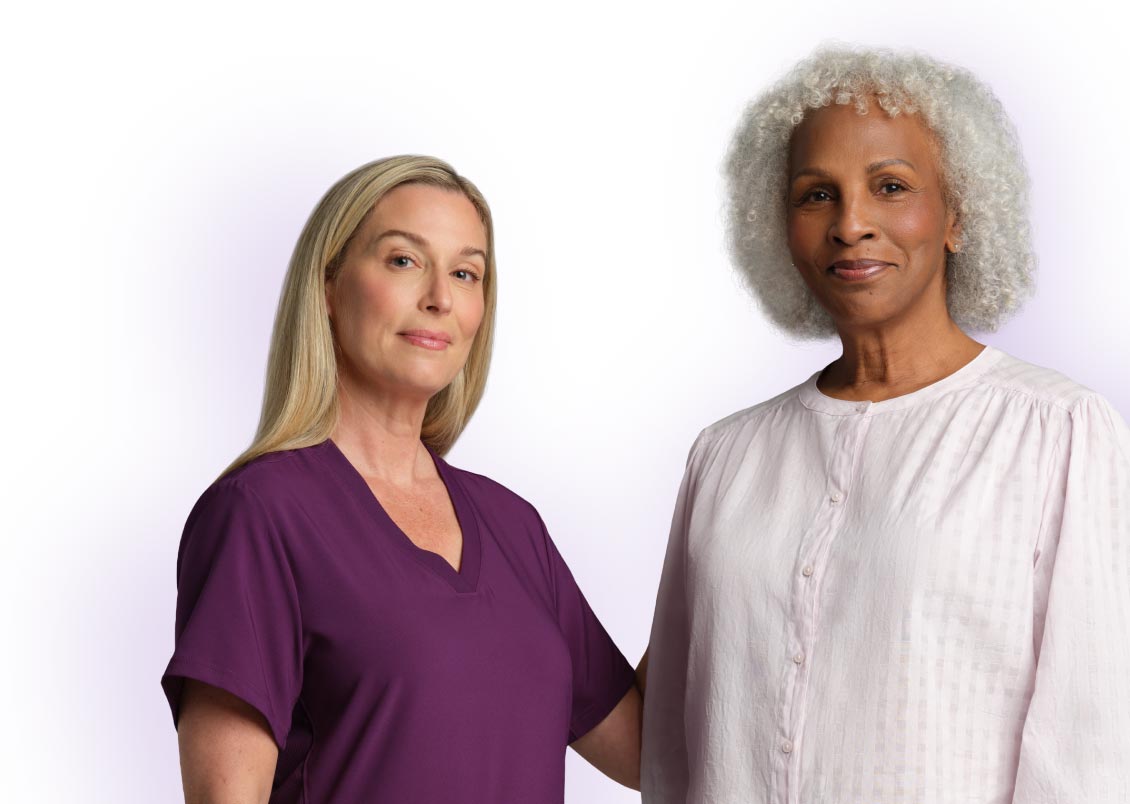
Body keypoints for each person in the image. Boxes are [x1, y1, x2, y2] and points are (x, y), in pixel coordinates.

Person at [640, 45, 1130, 804]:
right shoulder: (725, 456)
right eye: (816, 195)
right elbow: (672, 744)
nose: (851, 224)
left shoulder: (1058, 433)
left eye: (890, 186)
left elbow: (1089, 755)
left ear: (958, 215)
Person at [161, 155, 641, 803]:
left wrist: (731, 515)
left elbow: (649, 752)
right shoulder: (261, 513)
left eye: (466, 272)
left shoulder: (512, 526)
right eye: (403, 260)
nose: (440, 297)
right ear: (328, 289)